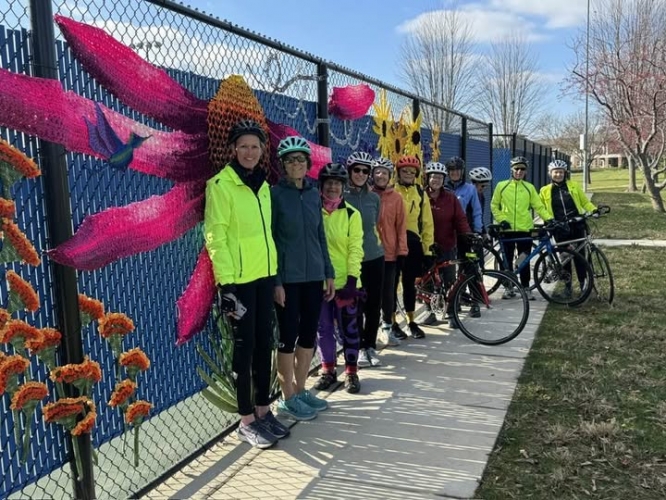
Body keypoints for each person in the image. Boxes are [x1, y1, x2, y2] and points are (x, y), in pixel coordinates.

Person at [204, 119, 288, 449]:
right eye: (244, 146)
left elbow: (267, 236)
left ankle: (264, 410)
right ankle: (246, 420)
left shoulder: (263, 185)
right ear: (233, 149)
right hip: (239, 282)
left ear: (262, 150)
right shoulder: (221, 185)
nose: (250, 152)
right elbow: (216, 235)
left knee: (265, 343)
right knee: (244, 349)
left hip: (264, 277)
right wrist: (226, 285)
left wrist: (275, 278)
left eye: (255, 146)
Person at [271, 136, 336, 421]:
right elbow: (271, 239)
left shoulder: (312, 194)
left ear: (308, 164)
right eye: (290, 160)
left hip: (314, 277)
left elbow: (320, 236)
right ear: (283, 164)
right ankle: (287, 398)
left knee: (308, 334)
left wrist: (328, 272)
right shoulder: (275, 195)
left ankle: (300, 389)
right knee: (288, 337)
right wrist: (276, 281)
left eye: (300, 159)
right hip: (288, 279)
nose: (296, 164)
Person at [314, 163, 365, 394]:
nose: (332, 187)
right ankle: (328, 370)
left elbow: (355, 248)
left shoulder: (352, 214)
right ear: (321, 185)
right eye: (328, 183)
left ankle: (351, 372)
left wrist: (353, 280)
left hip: (345, 282)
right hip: (320, 282)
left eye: (336, 183)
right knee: (323, 329)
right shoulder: (314, 210)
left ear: (343, 187)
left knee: (349, 329)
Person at [344, 152, 385, 368]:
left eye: (365, 171)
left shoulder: (374, 198)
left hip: (374, 256)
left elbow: (374, 224)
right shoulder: (342, 197)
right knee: (356, 305)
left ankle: (370, 345)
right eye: (357, 170)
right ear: (350, 171)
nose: (361, 174)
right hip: (352, 259)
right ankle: (358, 346)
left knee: (373, 305)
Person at [490, 156, 551, 300]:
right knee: (507, 260)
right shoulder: (501, 186)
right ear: (511, 170)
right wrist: (502, 220)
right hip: (507, 230)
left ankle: (525, 287)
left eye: (522, 169)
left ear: (526, 171)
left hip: (524, 229)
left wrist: (549, 218)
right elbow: (494, 205)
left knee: (523, 260)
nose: (519, 171)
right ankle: (508, 287)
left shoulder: (529, 187)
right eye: (516, 168)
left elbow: (539, 206)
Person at [419, 162, 471, 328]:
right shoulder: (420, 195)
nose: (436, 180)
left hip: (447, 245)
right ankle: (430, 311)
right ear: (427, 178)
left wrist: (467, 234)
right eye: (433, 177)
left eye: (440, 177)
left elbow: (460, 219)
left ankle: (451, 313)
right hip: (426, 246)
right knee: (426, 281)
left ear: (443, 180)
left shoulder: (450, 198)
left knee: (450, 280)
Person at [539, 159, 597, 297]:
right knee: (565, 259)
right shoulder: (544, 190)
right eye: (555, 172)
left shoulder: (574, 186)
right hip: (559, 228)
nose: (558, 174)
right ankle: (568, 287)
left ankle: (583, 285)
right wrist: (549, 221)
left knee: (580, 257)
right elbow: (541, 208)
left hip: (577, 225)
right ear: (550, 173)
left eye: (561, 172)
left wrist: (593, 209)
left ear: (565, 173)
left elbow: (584, 202)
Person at [393, 155, 434, 339]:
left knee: (409, 284)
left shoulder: (420, 192)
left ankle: (411, 321)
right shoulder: (391, 190)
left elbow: (427, 223)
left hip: (413, 242)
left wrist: (428, 249)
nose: (408, 174)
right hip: (393, 243)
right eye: (405, 171)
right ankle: (392, 322)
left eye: (412, 172)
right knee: (392, 284)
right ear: (398, 173)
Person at [370, 157, 408, 347]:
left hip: (390, 253)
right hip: (369, 253)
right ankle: (370, 329)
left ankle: (387, 327)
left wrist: (402, 250)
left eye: (384, 173)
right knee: (371, 294)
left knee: (388, 294)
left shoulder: (396, 198)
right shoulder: (367, 196)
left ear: (390, 176)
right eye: (377, 172)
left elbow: (401, 226)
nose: (381, 175)